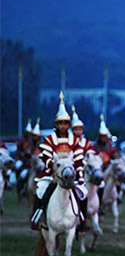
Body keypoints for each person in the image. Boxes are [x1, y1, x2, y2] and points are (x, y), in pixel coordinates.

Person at [30, 92, 90, 231]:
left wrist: (80, 177)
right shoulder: (49, 139)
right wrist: (55, 168)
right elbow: (45, 156)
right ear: (57, 124)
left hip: (71, 174)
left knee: (83, 193)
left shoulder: (74, 140)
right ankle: (36, 216)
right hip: (53, 174)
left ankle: (82, 219)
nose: (63, 126)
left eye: (65, 123)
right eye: (61, 123)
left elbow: (79, 159)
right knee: (41, 191)